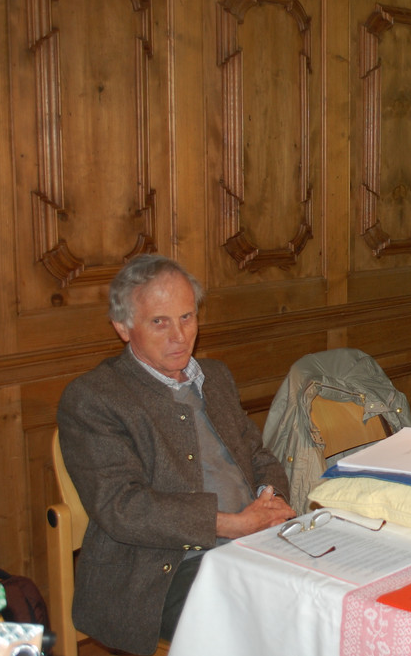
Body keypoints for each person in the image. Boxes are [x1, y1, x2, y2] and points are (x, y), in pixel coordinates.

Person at [56, 255, 294, 655]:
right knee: (270, 623)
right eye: (159, 322)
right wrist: (232, 525)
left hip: (256, 544)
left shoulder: (215, 377)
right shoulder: (95, 398)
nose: (179, 336)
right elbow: (122, 507)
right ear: (122, 327)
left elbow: (258, 455)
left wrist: (270, 501)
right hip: (162, 572)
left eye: (187, 317)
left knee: (334, 597)